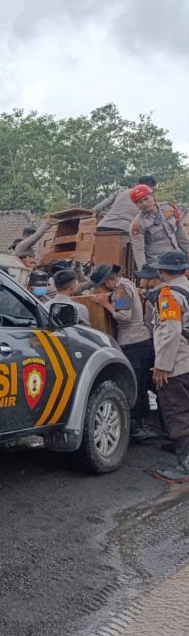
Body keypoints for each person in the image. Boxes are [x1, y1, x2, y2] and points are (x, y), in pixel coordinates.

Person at [90, 264, 155, 439]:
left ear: (108, 281)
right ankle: (142, 424)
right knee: (141, 385)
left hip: (132, 342)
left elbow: (124, 317)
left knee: (136, 385)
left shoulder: (120, 289)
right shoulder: (127, 284)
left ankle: (137, 427)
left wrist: (106, 304)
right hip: (141, 341)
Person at [146, 252, 189, 482]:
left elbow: (170, 331)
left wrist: (162, 366)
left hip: (178, 364)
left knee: (177, 413)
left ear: (161, 271)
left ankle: (185, 467)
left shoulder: (169, 295)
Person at [129, 181, 189, 269]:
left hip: (177, 258)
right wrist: (144, 271)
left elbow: (180, 234)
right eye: (139, 202)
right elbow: (139, 250)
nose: (144, 203)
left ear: (153, 196)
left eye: (146, 199)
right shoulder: (137, 224)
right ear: (136, 205)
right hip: (158, 263)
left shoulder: (169, 208)